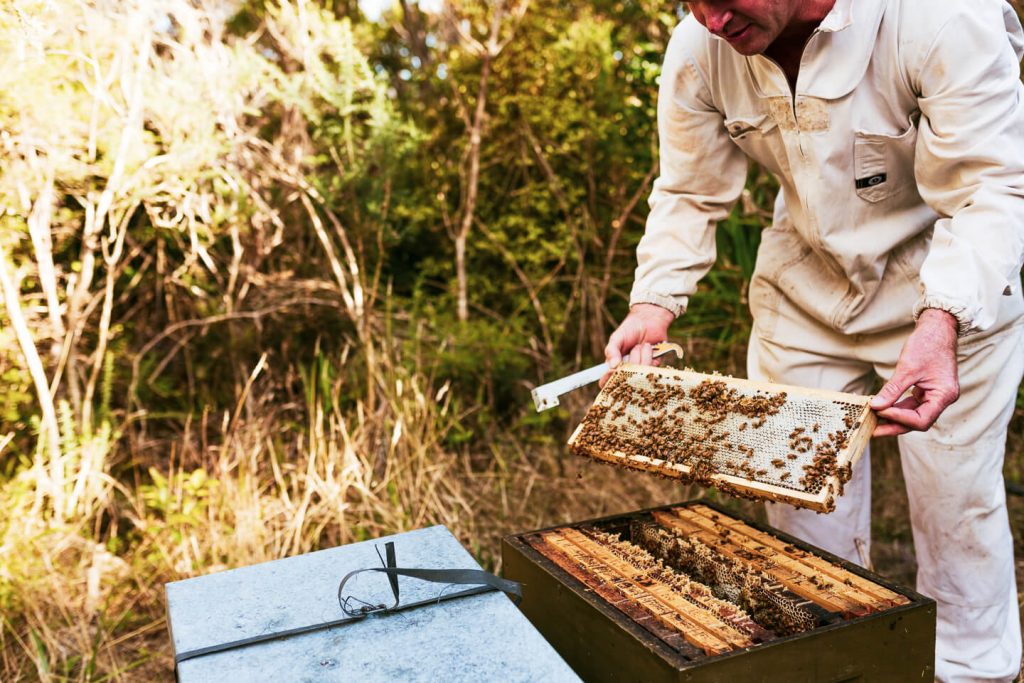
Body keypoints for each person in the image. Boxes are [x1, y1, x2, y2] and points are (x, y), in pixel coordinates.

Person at [602, 1, 1024, 680]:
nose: (710, 20)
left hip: (947, 291)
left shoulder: (942, 17)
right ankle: (834, 667)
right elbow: (687, 190)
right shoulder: (698, 49)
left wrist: (941, 316)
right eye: (690, 0)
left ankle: (974, 670)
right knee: (801, 534)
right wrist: (654, 300)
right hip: (805, 295)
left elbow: (992, 191)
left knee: (957, 515)